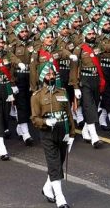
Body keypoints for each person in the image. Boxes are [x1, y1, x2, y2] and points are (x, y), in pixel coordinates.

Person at [31, 62, 75, 208]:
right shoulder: (37, 96)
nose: (52, 76)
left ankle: (47, 188)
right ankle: (60, 198)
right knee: (54, 164)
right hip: (47, 133)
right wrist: (46, 122)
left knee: (59, 163)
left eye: (53, 74)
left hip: (62, 131)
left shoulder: (62, 92)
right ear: (43, 77)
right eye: (49, 74)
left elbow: (69, 114)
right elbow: (34, 119)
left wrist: (72, 134)